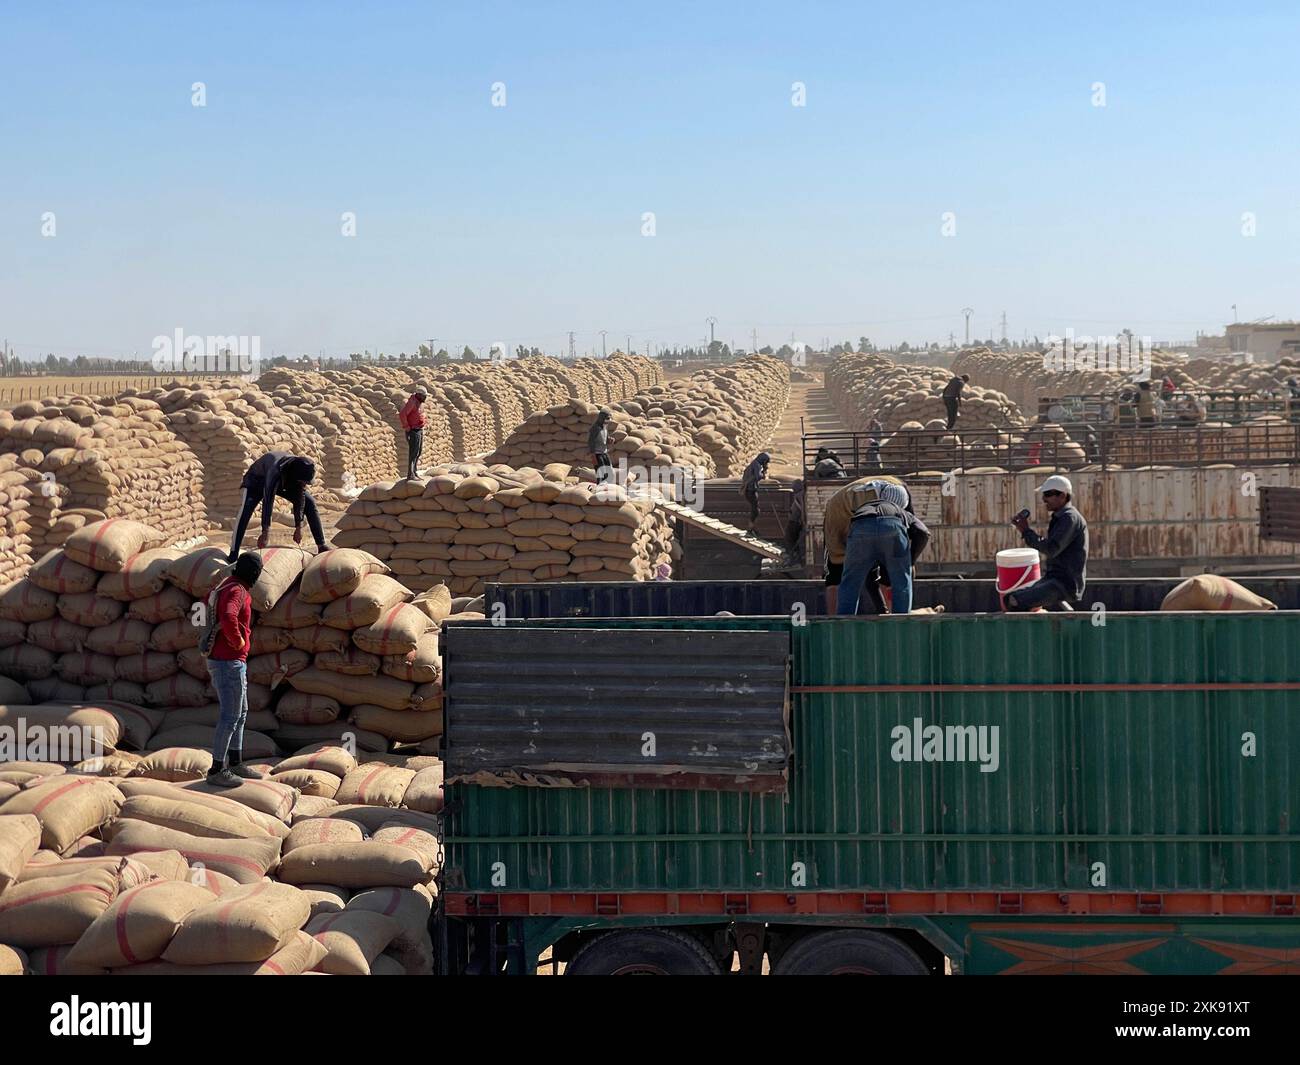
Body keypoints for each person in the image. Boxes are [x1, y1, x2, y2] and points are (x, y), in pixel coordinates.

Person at [204, 551, 263, 787]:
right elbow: (228, 615)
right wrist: (237, 641)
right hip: (228, 662)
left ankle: (236, 761)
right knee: (230, 716)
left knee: (241, 713)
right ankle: (217, 769)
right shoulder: (238, 590)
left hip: (226, 661)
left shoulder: (226, 584)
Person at [825, 477, 920, 615]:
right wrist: (910, 559)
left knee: (850, 581)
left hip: (858, 529)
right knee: (901, 581)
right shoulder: (899, 509)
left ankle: (841, 625)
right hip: (877, 526)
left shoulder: (861, 504)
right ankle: (901, 623)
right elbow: (922, 532)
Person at [1006, 475, 1088, 612]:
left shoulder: (1070, 518)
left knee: (1014, 601)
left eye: (1048, 494)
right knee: (1010, 598)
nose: (1044, 499)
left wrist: (1026, 531)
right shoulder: (1062, 517)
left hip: (1064, 584)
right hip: (1055, 580)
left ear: (1062, 495)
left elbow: (1051, 549)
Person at [229, 452, 329, 560]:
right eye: (303, 482)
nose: (304, 484)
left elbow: (300, 499)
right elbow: (268, 500)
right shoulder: (275, 470)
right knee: (246, 511)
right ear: (297, 476)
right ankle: (234, 553)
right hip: (256, 481)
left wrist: (298, 527)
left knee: (310, 502)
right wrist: (265, 532)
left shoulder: (298, 474)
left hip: (283, 482)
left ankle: (321, 545)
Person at [399, 389, 427, 479]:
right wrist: (406, 427)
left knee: (418, 452)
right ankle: (410, 474)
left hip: (419, 429)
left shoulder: (419, 402)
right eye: (423, 396)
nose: (425, 398)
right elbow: (402, 414)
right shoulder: (412, 402)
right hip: (413, 430)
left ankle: (414, 472)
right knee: (413, 452)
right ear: (419, 395)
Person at [740, 452, 770, 527]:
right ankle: (751, 527)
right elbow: (758, 476)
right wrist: (763, 472)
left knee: (755, 509)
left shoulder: (754, 463)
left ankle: (752, 527)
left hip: (749, 489)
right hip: (750, 490)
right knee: (755, 510)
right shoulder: (757, 465)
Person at [587, 409, 613, 484]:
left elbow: (606, 438)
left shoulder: (604, 427)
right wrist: (593, 456)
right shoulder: (595, 429)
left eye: (609, 418)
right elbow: (591, 442)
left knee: (609, 473)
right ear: (602, 418)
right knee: (601, 474)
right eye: (607, 418)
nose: (609, 420)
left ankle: (607, 489)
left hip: (604, 452)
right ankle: (600, 490)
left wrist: (610, 440)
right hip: (597, 454)